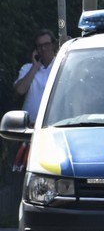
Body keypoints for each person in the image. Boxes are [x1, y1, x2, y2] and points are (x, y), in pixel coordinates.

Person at [12, 29, 58, 171]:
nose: (43, 49)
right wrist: (35, 67)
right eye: (40, 46)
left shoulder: (60, 66)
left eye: (46, 44)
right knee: (26, 170)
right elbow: (20, 90)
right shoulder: (27, 68)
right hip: (29, 129)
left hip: (53, 128)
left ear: (53, 45)